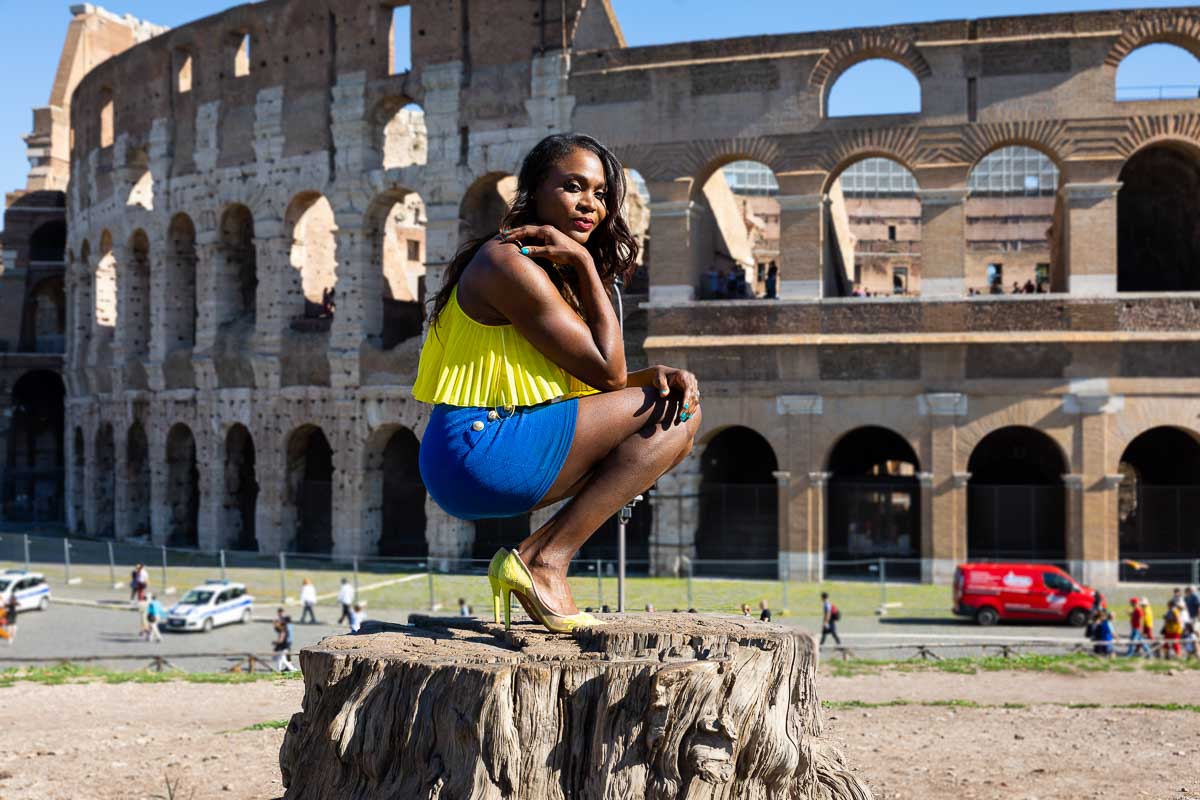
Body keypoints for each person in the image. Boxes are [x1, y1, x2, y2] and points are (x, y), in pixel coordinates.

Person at [413, 134, 700, 634]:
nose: (591, 203)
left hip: (494, 441)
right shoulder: (507, 263)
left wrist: (649, 377)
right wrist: (586, 266)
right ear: (534, 193)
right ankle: (545, 559)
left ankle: (541, 557)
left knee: (675, 406)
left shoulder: (541, 269)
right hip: (478, 445)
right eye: (573, 187)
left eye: (602, 194)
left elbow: (593, 380)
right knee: (677, 415)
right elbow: (608, 374)